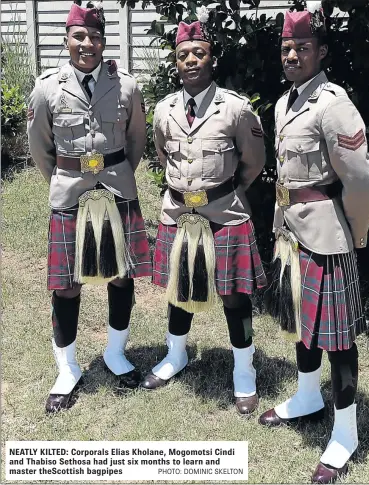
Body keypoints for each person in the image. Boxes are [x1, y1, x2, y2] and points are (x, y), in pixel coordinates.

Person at [260, 2, 369, 483]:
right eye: (287, 47)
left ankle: (345, 431)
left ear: (321, 51)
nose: (292, 54)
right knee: (299, 323)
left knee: (337, 338)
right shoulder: (285, 102)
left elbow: (361, 182)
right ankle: (308, 396)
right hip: (290, 229)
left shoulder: (333, 103)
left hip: (326, 234)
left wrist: (357, 233)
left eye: (302, 47)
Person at [27, 0, 152, 413]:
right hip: (69, 194)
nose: (88, 44)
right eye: (80, 36)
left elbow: (136, 140)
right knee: (66, 282)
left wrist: (114, 174)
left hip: (116, 189)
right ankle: (68, 368)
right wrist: (68, 179)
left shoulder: (127, 86)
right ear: (66, 40)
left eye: (95, 37)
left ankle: (116, 354)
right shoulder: (46, 88)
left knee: (120, 275)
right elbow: (40, 149)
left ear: (103, 42)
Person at [141, 11, 267, 416]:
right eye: (183, 55)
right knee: (181, 287)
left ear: (213, 59)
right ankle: (175, 356)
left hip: (224, 212)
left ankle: (243, 371)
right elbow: (162, 153)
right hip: (179, 213)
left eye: (200, 53)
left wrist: (221, 190)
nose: (191, 60)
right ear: (175, 62)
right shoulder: (163, 111)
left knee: (234, 296)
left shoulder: (235, 110)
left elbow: (254, 162)